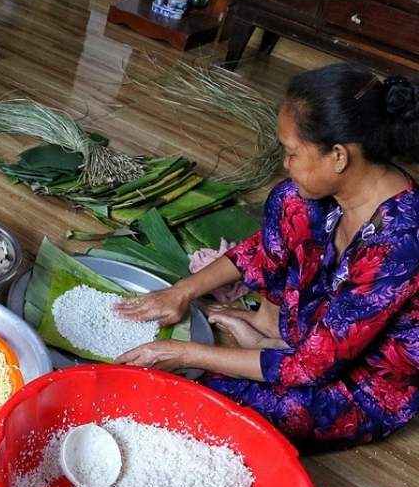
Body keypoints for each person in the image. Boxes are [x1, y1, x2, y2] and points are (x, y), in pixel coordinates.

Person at [116, 64, 419, 451]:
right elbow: (262, 252)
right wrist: (181, 291)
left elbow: (313, 368)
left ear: (339, 156)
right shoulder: (326, 195)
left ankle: (275, 345)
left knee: (209, 401)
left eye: (292, 152)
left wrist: (182, 353)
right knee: (288, 199)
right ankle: (271, 327)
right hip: (318, 335)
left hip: (362, 381)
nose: (285, 163)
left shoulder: (399, 243)